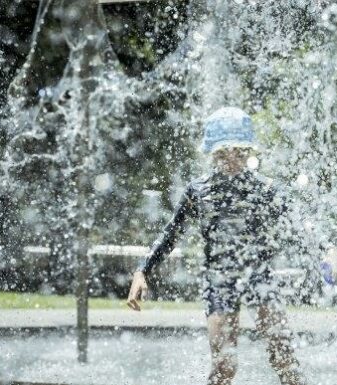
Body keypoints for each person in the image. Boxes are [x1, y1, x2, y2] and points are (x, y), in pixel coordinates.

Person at [127, 107, 307, 385]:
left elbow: (299, 227)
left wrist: (326, 251)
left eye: (238, 152)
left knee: (283, 358)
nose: (231, 160)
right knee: (224, 366)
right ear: (212, 153)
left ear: (248, 152)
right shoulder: (199, 190)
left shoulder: (266, 189)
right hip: (219, 282)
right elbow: (170, 234)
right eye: (223, 153)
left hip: (258, 276)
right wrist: (143, 271)